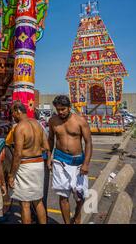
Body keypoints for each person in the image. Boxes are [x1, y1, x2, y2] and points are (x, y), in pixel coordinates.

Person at [47, 95, 93, 224]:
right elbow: (51, 139)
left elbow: (88, 143)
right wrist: (49, 157)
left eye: (63, 109)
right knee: (63, 196)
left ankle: (77, 215)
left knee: (80, 196)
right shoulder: (52, 121)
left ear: (69, 107)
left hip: (78, 161)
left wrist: (86, 164)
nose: (60, 112)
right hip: (59, 159)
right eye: (58, 109)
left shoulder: (80, 121)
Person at [8, 101, 50, 224]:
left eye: (12, 113)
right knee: (38, 201)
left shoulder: (20, 127)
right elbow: (46, 147)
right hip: (39, 163)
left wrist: (11, 175)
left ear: (17, 111)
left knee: (25, 204)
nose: (13, 116)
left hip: (25, 166)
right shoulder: (37, 124)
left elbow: (18, 154)